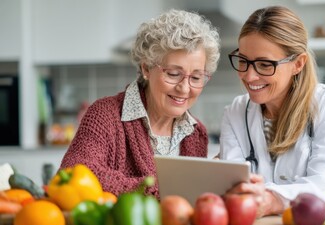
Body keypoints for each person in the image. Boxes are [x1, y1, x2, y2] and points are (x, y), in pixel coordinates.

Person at [60, 9, 220, 197]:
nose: (184, 88)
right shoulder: (105, 116)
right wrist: (160, 191)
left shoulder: (196, 133)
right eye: (173, 74)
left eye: (196, 77)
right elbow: (74, 173)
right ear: (146, 68)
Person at [220, 6, 325, 217]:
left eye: (265, 65)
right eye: (243, 61)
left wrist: (271, 199)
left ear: (298, 63)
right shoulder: (235, 112)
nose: (249, 77)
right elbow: (235, 186)